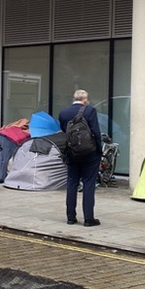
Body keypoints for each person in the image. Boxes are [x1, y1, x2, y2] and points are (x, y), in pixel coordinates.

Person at [58, 89, 102, 227]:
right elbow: (96, 132)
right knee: (89, 183)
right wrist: (99, 150)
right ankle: (89, 218)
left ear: (74, 98)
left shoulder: (63, 113)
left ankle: (71, 217)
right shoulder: (90, 111)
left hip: (72, 152)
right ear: (85, 99)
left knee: (72, 182)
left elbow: (65, 132)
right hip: (89, 153)